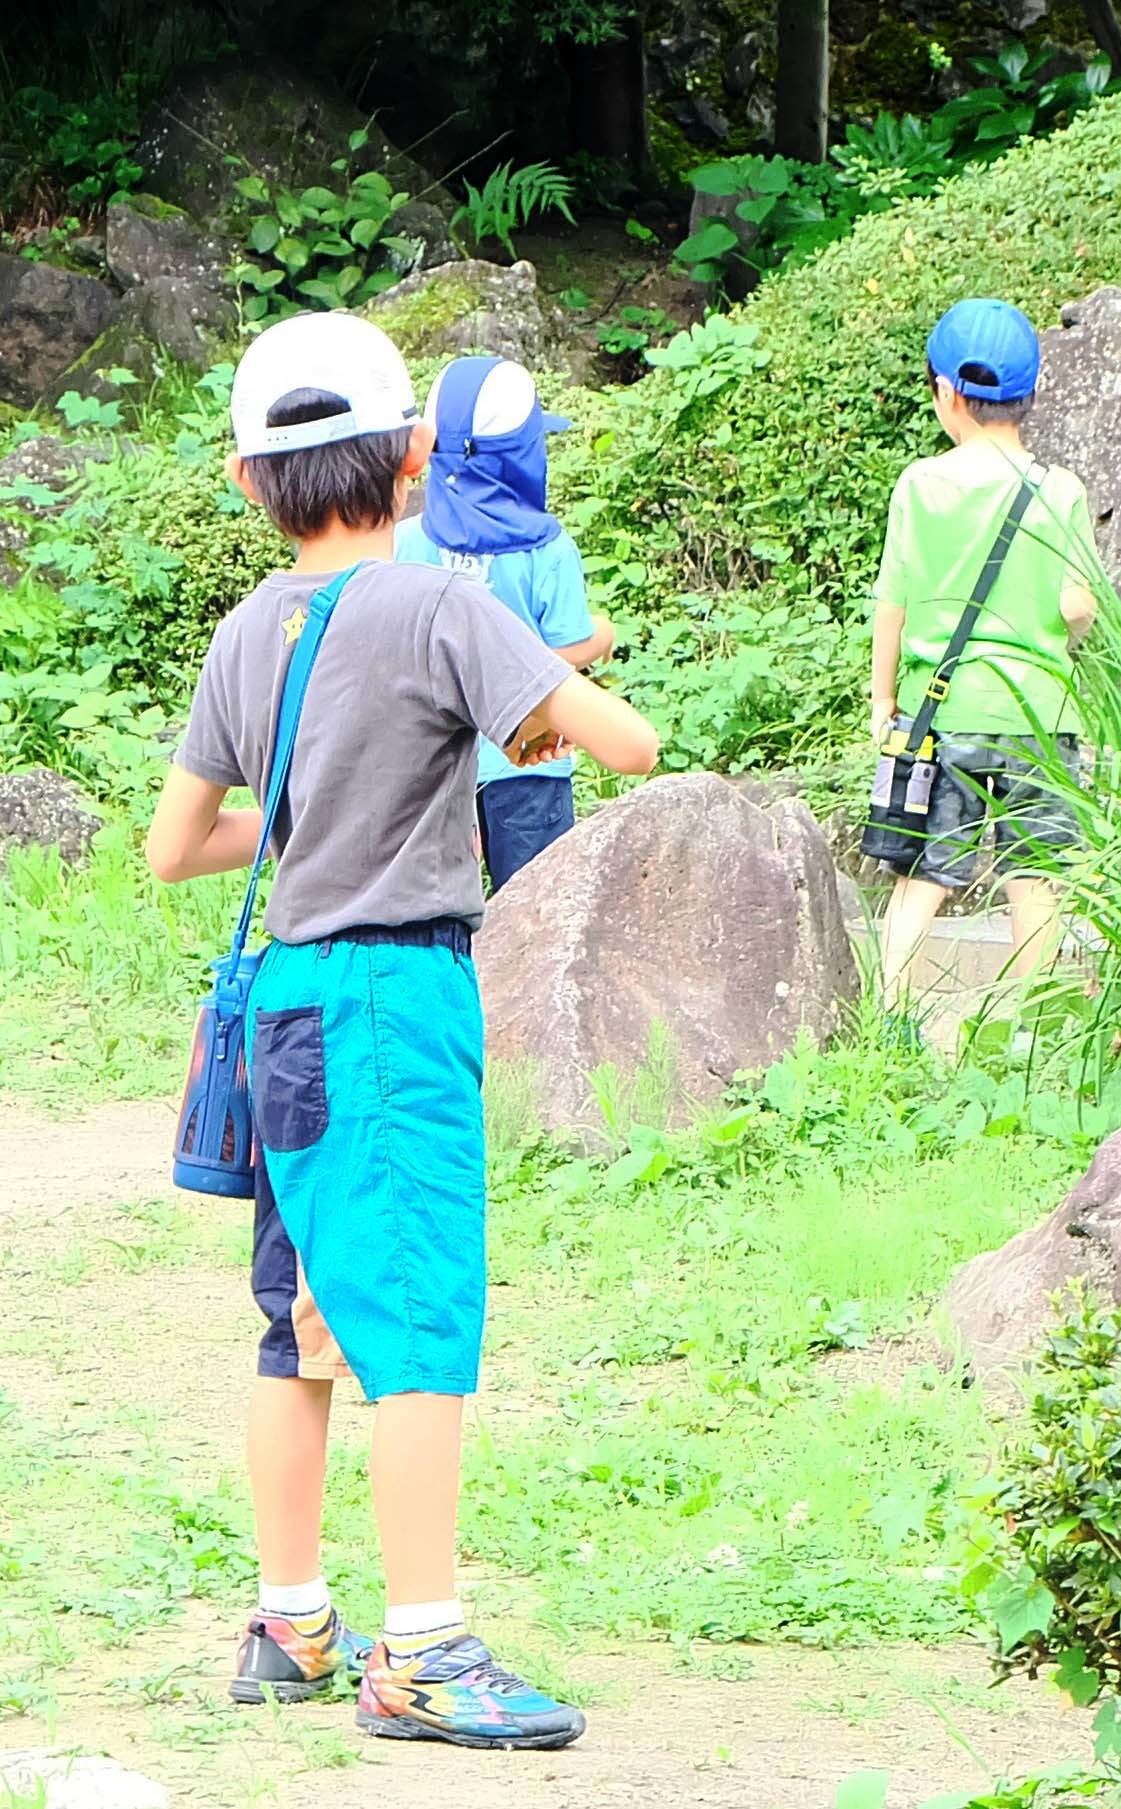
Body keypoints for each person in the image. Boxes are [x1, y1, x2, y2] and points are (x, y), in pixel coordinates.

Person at [144, 312, 659, 1750]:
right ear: (419, 458)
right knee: (420, 1315)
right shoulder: (438, 606)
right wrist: (538, 723)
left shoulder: (248, 632)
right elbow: (630, 742)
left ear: (251, 483)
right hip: (391, 1003)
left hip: (288, 1010)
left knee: (297, 1323)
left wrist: (313, 818)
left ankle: (294, 1620)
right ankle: (425, 1647)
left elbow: (176, 846)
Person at [868, 298, 1103, 1012]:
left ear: (947, 394)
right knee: (1035, 877)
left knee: (924, 875)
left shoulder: (921, 485)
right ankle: (1026, 1031)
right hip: (1040, 713)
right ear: (1028, 397)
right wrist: (1062, 637)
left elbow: (893, 604)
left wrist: (884, 704)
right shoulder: (1058, 490)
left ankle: (892, 1018)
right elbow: (1079, 607)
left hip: (943, 715)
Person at [394, 355, 615, 892]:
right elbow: (562, 649)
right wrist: (602, 635)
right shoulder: (549, 549)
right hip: (531, 763)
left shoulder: (405, 541)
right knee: (541, 911)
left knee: (449, 920)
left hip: (434, 769)